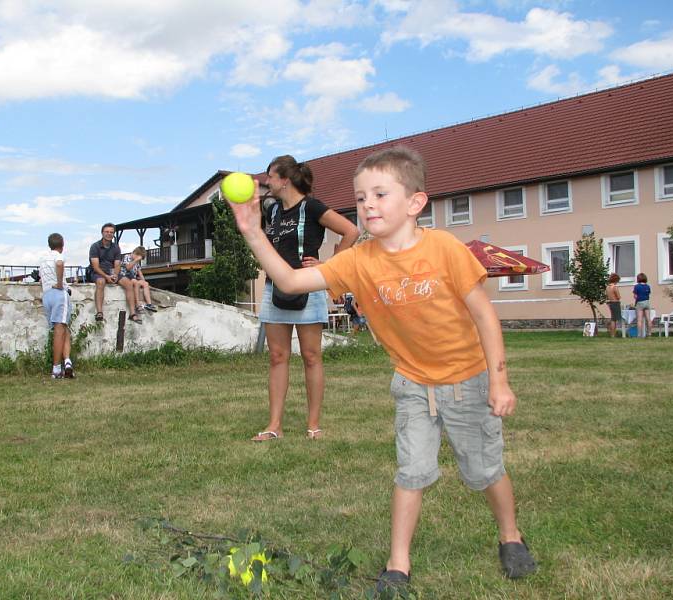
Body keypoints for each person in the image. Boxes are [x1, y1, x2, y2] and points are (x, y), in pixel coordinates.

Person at [227, 146, 536, 590]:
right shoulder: (359, 260)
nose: (366, 203)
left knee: (484, 470)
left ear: (414, 203)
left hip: (468, 379)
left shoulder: (445, 248)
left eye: (379, 194)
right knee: (411, 471)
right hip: (412, 383)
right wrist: (252, 232)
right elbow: (292, 281)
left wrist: (499, 380)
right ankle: (397, 564)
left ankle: (510, 536)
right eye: (360, 196)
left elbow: (484, 315)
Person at [252, 155, 359, 442]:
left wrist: (329, 268)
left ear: (284, 180)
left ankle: (314, 425)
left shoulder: (311, 206)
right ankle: (274, 425)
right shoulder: (272, 210)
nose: (267, 182)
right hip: (275, 289)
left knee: (311, 357)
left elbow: (351, 231)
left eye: (270, 177)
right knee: (277, 357)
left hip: (308, 290)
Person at [39, 233, 74, 379]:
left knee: (63, 329)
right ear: (62, 244)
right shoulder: (58, 256)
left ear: (49, 244)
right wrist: (60, 283)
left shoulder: (42, 259)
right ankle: (56, 368)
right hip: (59, 294)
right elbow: (59, 263)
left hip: (47, 295)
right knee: (60, 331)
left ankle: (67, 361)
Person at [89, 223, 137, 322]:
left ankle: (132, 313)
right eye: (107, 232)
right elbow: (95, 266)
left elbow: (117, 264)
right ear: (102, 233)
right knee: (101, 282)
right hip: (99, 272)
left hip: (112, 271)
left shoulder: (116, 247)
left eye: (111, 232)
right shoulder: (95, 246)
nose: (109, 234)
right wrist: (106, 276)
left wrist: (115, 274)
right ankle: (99, 312)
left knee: (128, 283)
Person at [119, 246, 158, 321]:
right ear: (135, 253)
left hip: (133, 278)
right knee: (135, 282)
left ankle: (149, 304)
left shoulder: (137, 263)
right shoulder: (127, 257)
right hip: (125, 277)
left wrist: (144, 282)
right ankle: (137, 304)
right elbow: (128, 267)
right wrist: (135, 260)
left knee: (145, 284)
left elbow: (140, 274)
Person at [633, 272, 652, 338]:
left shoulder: (636, 286)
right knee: (648, 319)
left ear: (638, 279)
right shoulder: (648, 286)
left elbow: (635, 296)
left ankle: (639, 335)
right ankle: (649, 333)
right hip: (647, 302)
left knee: (639, 320)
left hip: (640, 302)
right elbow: (648, 294)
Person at [606, 273, 622, 338]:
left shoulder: (607, 287)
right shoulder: (615, 287)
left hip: (610, 303)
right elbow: (618, 296)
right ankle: (613, 334)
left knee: (613, 318)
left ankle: (612, 334)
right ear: (616, 280)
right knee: (614, 319)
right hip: (615, 303)